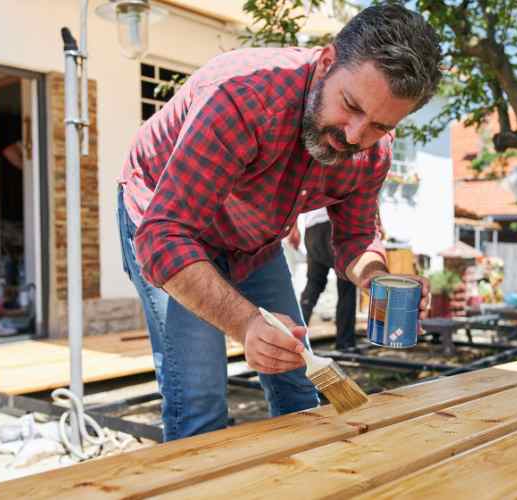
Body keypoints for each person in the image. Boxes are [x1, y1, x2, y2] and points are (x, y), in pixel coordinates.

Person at [117, 4, 441, 441]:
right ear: (327, 63)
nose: (353, 137)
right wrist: (245, 323)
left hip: (253, 238)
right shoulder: (241, 96)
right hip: (167, 223)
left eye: (378, 126)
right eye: (349, 106)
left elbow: (357, 237)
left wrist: (377, 279)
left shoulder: (372, 150)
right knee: (199, 401)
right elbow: (165, 237)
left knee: (300, 385)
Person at [291, 207, 358, 351]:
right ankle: (345, 344)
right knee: (347, 284)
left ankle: (293, 337)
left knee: (314, 284)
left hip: (311, 231)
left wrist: (293, 228)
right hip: (335, 226)